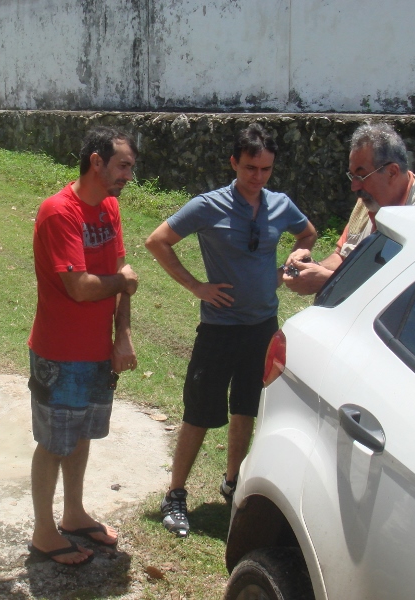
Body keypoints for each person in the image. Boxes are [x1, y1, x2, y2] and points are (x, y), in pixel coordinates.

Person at [145, 124, 317, 538]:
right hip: (220, 329)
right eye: (250, 168)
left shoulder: (279, 204)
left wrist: (294, 257)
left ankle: (233, 482)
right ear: (233, 163)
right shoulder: (210, 205)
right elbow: (157, 241)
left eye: (266, 169)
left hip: (263, 326)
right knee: (199, 412)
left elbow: (307, 233)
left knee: (246, 409)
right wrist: (196, 286)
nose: (258, 177)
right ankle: (176, 494)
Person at [27, 127, 139, 565]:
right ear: (97, 162)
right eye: (123, 166)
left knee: (80, 437)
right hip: (59, 353)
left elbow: (118, 271)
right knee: (54, 442)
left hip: (96, 352)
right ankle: (43, 533)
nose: (129, 176)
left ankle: (72, 515)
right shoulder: (59, 212)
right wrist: (122, 283)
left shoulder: (109, 208)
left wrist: (122, 335)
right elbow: (80, 286)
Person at [284, 122, 415, 295]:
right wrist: (311, 267)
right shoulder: (369, 201)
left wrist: (329, 281)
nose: (354, 186)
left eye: (362, 176)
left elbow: (409, 292)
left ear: (392, 172)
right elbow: (343, 256)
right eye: (352, 176)